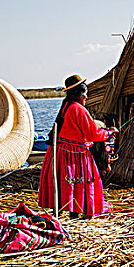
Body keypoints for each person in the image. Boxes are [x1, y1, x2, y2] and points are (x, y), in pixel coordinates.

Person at [38, 74, 118, 218]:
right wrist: (108, 133)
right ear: (79, 95)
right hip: (74, 155)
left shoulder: (66, 106)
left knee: (64, 182)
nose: (86, 97)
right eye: (84, 94)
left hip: (59, 152)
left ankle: (59, 212)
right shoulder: (79, 110)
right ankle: (75, 214)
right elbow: (93, 134)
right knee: (78, 181)